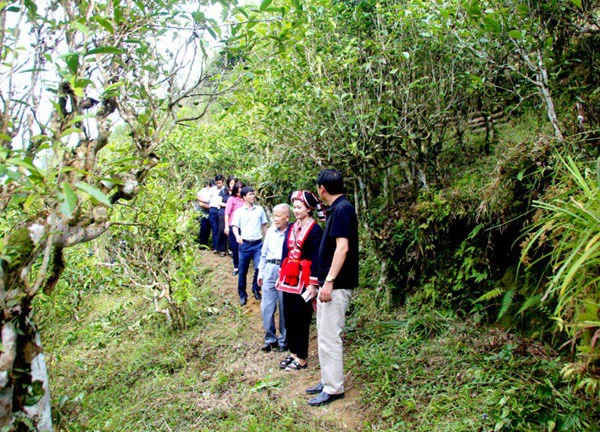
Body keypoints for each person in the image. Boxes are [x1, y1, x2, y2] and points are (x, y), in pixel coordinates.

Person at [306, 169, 359, 406]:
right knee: (324, 334)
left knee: (330, 337)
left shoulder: (342, 210)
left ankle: (334, 388)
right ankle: (328, 379)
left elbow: (342, 248)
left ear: (321, 189)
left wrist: (328, 281)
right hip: (331, 284)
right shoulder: (337, 209)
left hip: (336, 285)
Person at [277, 191, 324, 372]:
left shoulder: (315, 230)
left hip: (304, 280)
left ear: (309, 209)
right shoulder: (291, 227)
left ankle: (302, 357)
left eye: (299, 207)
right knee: (288, 315)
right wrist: (281, 274)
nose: (296, 210)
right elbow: (284, 251)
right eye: (294, 207)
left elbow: (316, 257)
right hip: (289, 277)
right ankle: (294, 353)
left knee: (301, 318)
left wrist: (313, 283)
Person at [257, 203, 290, 353]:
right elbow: (263, 254)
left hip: (285, 269)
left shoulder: (292, 232)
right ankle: (270, 338)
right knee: (266, 307)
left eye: (278, 216)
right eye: (274, 216)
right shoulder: (270, 231)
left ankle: (284, 340)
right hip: (270, 268)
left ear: (287, 217)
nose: (275, 219)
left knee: (284, 306)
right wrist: (261, 273)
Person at [232, 186, 268, 306]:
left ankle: (255, 288)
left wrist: (267, 239)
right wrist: (237, 236)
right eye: (250, 194)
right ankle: (242, 294)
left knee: (259, 267)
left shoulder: (260, 210)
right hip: (245, 245)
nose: (253, 196)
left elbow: (264, 225)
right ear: (244, 197)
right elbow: (235, 226)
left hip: (258, 244)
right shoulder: (239, 212)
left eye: (253, 194)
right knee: (242, 270)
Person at [224, 181, 245, 275]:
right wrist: (226, 226)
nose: (239, 194)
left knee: (244, 247)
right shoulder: (231, 199)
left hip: (245, 226)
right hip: (233, 226)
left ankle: (244, 266)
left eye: (241, 191)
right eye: (238, 192)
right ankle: (236, 266)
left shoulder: (246, 201)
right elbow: (227, 213)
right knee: (235, 247)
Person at [216, 176, 236, 256]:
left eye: (234, 184)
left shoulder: (237, 193)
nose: (232, 185)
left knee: (232, 231)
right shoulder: (223, 191)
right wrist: (229, 205)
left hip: (233, 213)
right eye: (231, 183)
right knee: (222, 230)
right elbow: (219, 202)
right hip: (223, 212)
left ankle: (232, 249)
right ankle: (222, 249)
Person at [207, 174, 225, 254]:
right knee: (214, 228)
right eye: (217, 183)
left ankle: (221, 248)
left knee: (221, 229)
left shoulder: (225, 190)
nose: (219, 185)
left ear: (223, 182)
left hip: (221, 210)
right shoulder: (212, 190)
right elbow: (207, 199)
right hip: (213, 209)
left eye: (220, 183)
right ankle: (215, 247)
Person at [195, 179, 213, 248]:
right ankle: (202, 243)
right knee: (204, 226)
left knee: (208, 228)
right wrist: (211, 207)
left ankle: (205, 243)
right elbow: (201, 204)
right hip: (201, 212)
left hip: (209, 212)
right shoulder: (203, 191)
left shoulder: (214, 191)